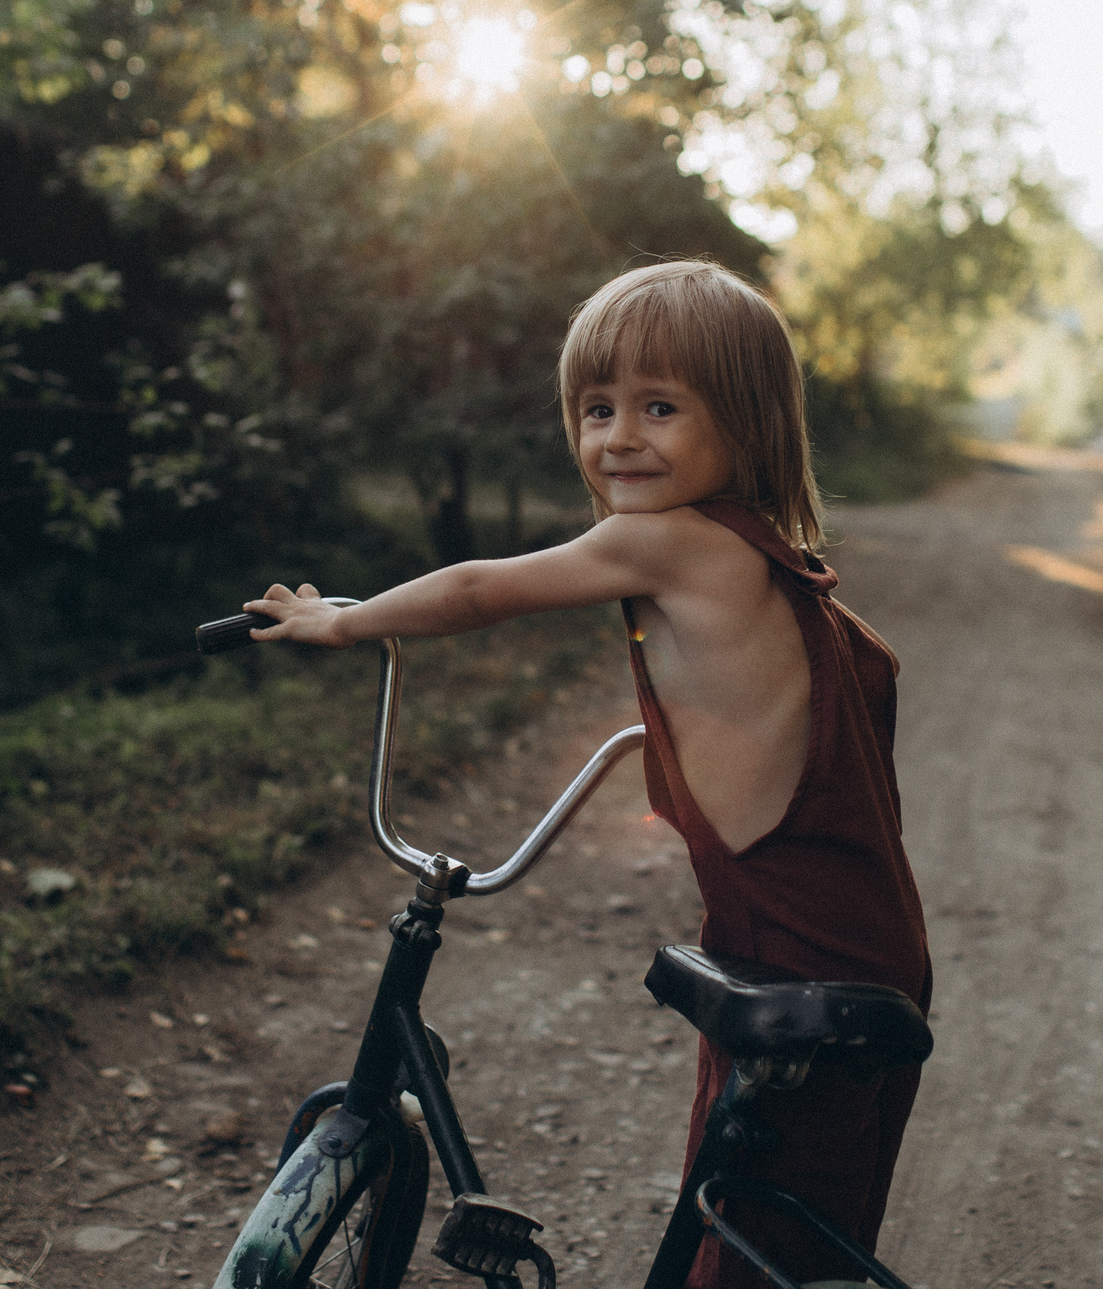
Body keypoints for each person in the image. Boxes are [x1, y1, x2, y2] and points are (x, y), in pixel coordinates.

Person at [243, 259, 931, 1289]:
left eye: (660, 407)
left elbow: (481, 587)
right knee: (772, 1217)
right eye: (595, 407)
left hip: (799, 952)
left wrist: (339, 620)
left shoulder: (671, 546)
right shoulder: (783, 573)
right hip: (863, 942)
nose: (618, 437)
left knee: (755, 1247)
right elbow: (822, 706)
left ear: (744, 422)